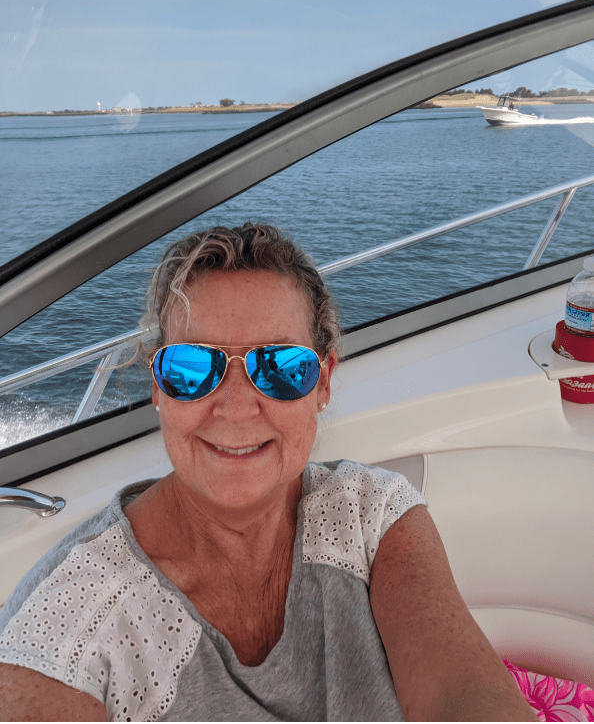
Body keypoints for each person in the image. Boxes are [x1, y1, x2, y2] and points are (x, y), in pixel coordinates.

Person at [0, 223, 537, 721]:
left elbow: (458, 693)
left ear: (322, 381)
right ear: (157, 385)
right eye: (192, 368)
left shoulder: (372, 514)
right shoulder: (64, 628)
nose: (235, 407)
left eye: (279, 367)